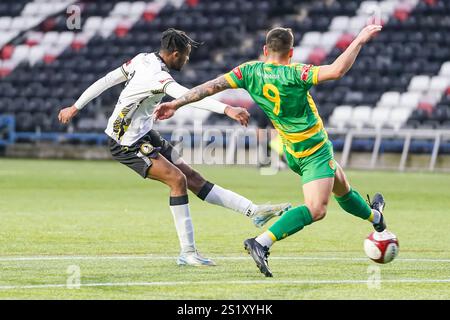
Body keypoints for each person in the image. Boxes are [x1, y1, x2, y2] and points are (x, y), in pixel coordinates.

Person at [153, 25, 387, 276]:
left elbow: (209, 87)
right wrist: (360, 39)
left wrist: (176, 103)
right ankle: (261, 242)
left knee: (342, 187)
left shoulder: (249, 71)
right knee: (317, 209)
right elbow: (337, 70)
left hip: (290, 151)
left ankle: (376, 218)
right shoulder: (296, 73)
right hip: (313, 150)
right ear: (291, 52)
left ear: (265, 50)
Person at [58, 28, 291, 267]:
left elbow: (107, 80)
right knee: (178, 180)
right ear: (175, 54)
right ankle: (187, 253)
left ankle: (254, 211)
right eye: (186, 55)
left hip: (146, 133)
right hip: (125, 142)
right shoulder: (158, 77)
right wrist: (226, 109)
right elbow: (187, 94)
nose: (187, 59)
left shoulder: (142, 59)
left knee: (193, 177)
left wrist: (76, 107)